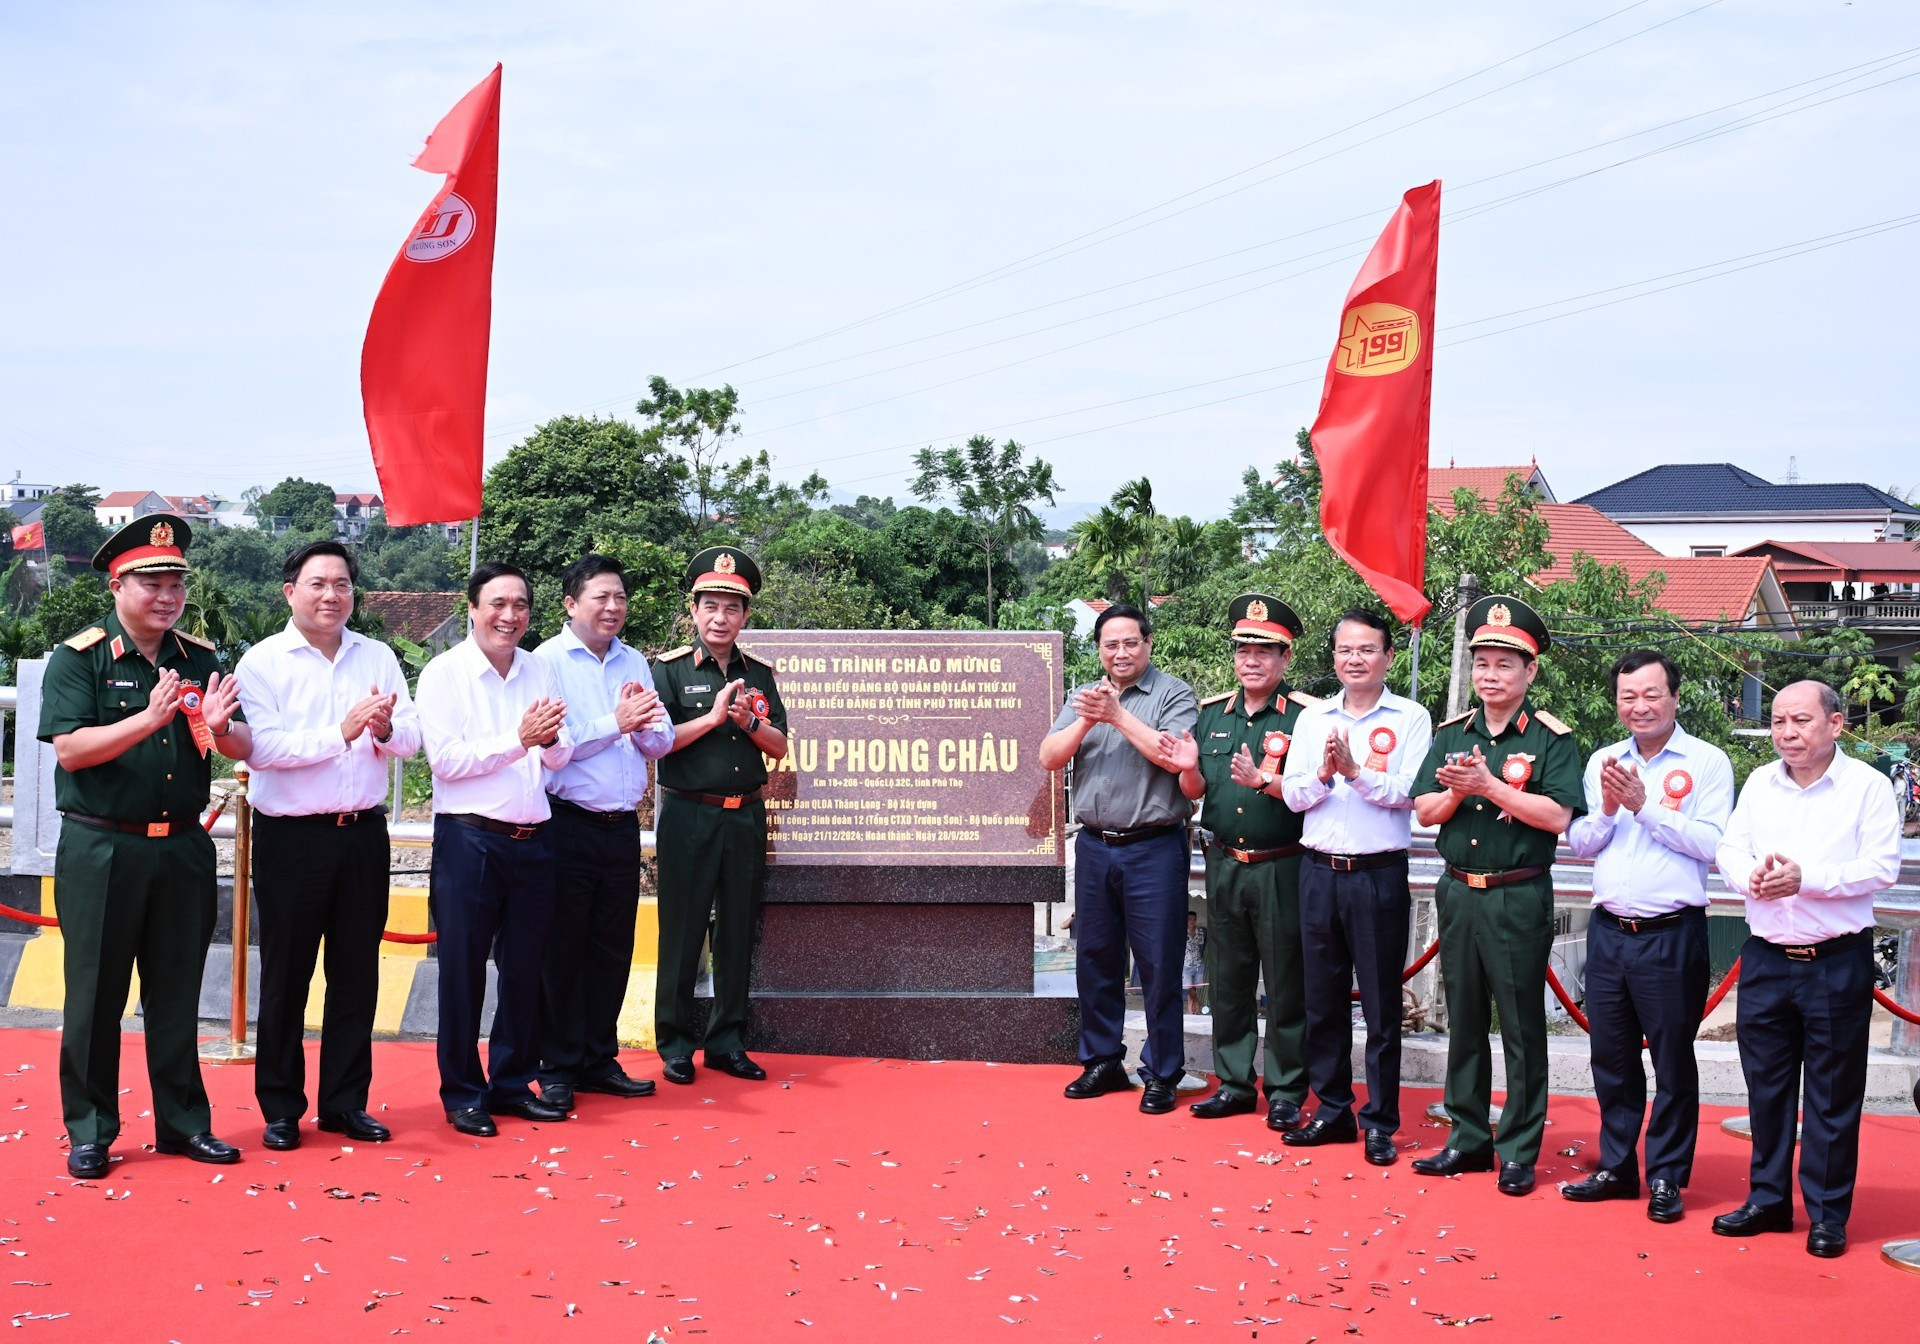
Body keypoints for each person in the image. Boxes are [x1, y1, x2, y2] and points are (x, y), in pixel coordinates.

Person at [39, 514, 253, 1178]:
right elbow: (71, 751)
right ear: (117, 586)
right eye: (151, 584)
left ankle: (184, 1124)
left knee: (176, 992)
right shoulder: (80, 657)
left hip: (182, 846)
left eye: (176, 585)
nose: (167, 597)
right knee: (95, 997)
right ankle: (91, 1130)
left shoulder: (199, 658)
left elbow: (237, 742)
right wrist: (149, 718)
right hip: (104, 848)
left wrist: (221, 729)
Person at [236, 541, 421, 1151]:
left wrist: (385, 729)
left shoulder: (378, 655)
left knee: (356, 975)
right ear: (290, 592)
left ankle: (345, 1103)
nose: (331, 596)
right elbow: (263, 749)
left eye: (342, 584)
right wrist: (340, 733)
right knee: (286, 975)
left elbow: (412, 740)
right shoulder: (263, 662)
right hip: (292, 838)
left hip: (362, 833)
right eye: (318, 584)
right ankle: (281, 1107)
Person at [1712, 679, 1902, 1258]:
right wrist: (1748, 877)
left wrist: (1807, 880)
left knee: (1832, 1095)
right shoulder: (1759, 783)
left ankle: (1827, 1214)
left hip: (1835, 960)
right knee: (1766, 1089)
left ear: (1836, 724)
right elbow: (1730, 848)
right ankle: (1768, 1200)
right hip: (1767, 958)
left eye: (1800, 720)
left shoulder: (1867, 787)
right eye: (1777, 721)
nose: (1786, 733)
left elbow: (1882, 867)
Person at [1409, 595, 1583, 1197]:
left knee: (1520, 1026)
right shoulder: (1451, 734)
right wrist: (1461, 792)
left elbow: (1557, 816)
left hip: (1518, 893)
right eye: (1481, 664)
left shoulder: (1552, 739)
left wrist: (1488, 785)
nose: (1490, 676)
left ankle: (1518, 1149)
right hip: (1459, 890)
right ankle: (1467, 1139)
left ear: (1529, 671)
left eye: (1504, 665)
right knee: (1463, 1021)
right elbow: (1426, 810)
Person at [1562, 650, 1733, 1223]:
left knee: (1672, 1060)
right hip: (1610, 931)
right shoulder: (1604, 760)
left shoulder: (1707, 762)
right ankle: (1616, 1167)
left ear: (1675, 698)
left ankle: (1666, 1176)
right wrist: (1610, 809)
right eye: (1628, 696)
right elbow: (1582, 844)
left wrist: (1646, 807)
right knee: (1610, 1057)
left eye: (1651, 694)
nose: (1639, 706)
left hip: (1672, 933)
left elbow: (1713, 845)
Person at [416, 562, 574, 1136]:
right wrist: (519, 739)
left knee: (526, 969)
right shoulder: (443, 673)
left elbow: (560, 753)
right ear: (473, 609)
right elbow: (446, 762)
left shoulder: (540, 668)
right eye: (498, 605)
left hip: (534, 837)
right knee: (463, 971)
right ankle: (462, 1092)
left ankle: (511, 1083)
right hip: (471, 839)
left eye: (521, 605)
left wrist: (548, 741)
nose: (510, 616)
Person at [1280, 607, 1431, 1165]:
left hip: (1377, 875)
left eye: (1367, 650)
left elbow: (1410, 793)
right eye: (1345, 650)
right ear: (1334, 657)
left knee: (1382, 1006)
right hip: (1318, 871)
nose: (1355, 659)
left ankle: (1381, 1122)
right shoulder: (1312, 718)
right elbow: (1292, 795)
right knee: (1321, 1000)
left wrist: (1354, 772)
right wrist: (1324, 775)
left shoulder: (1411, 717)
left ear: (1388, 656)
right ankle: (1333, 1110)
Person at [1040, 603, 1198, 1115]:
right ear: (1099, 650)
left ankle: (1162, 1071)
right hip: (1094, 846)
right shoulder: (1086, 695)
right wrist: (1088, 719)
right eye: (1111, 644)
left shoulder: (1172, 693)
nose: (1121, 652)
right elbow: (1049, 756)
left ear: (1148, 643)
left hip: (1154, 847)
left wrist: (1117, 716)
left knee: (1158, 964)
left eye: (1131, 642)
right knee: (1095, 959)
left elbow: (1172, 757)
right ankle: (1102, 1060)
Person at [1164, 594, 1315, 1129]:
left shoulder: (1307, 717)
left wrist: (1264, 780)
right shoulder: (1211, 715)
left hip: (1283, 865)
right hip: (1224, 862)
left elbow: (1313, 790)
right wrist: (1188, 768)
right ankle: (1233, 1083)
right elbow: (1196, 790)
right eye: (1243, 651)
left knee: (1286, 982)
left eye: (1264, 652)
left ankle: (1286, 1089)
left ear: (1285, 658)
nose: (1252, 661)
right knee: (1228, 979)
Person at [533, 555, 675, 1111]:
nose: (613, 607)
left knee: (612, 948)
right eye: (601, 597)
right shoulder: (545, 662)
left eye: (620, 597)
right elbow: (558, 746)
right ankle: (557, 1066)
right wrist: (617, 722)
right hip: (567, 822)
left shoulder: (633, 659)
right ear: (571, 604)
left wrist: (641, 727)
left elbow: (660, 741)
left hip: (621, 828)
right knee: (562, 948)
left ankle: (598, 1057)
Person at [651, 546, 789, 1086]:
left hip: (745, 816)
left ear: (745, 615)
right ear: (694, 610)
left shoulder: (760, 674)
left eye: (732, 608)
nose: (720, 617)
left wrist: (749, 723)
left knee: (736, 930)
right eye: (710, 606)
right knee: (683, 931)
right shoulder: (669, 670)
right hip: (690, 814)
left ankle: (727, 1041)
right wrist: (712, 719)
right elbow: (658, 742)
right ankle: (676, 1044)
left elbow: (778, 746)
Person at [1182, 912, 1205, 1015]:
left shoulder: (1200, 932)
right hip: (1186, 964)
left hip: (1198, 964)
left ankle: (1190, 1010)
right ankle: (1198, 1005)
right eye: (1189, 919)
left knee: (1194, 987)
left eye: (1194, 919)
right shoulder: (1182, 932)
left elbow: (1202, 946)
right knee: (1189, 987)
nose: (1192, 921)